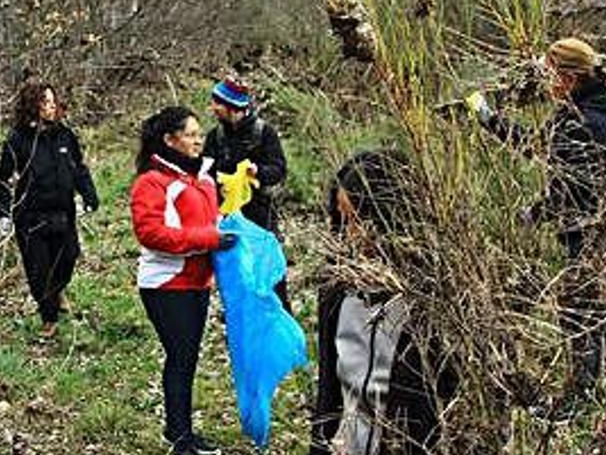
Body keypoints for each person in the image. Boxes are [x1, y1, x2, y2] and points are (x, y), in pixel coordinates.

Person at [465, 37, 606, 419]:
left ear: (569, 77)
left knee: (577, 306)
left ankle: (581, 397)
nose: (544, 81)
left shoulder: (587, 121)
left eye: (549, 73)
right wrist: (489, 120)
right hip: (600, 227)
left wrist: (538, 210)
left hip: (597, 231)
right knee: (596, 298)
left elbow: (571, 184)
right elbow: (548, 152)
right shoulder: (587, 109)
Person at [310, 150, 458, 455]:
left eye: (360, 220)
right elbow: (328, 388)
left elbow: (439, 402)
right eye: (343, 219)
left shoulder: (429, 298)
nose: (352, 235)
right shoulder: (337, 289)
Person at [130, 106, 235, 455]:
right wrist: (209, 239)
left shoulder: (203, 176)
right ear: (169, 140)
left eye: (198, 133)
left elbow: (212, 220)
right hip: (165, 283)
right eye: (189, 134)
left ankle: (182, 432)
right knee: (180, 357)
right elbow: (151, 233)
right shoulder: (151, 182)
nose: (197, 140)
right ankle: (180, 439)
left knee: (187, 359)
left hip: (198, 282)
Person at [0, 77, 99, 339]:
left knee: (68, 258)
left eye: (53, 102)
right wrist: (4, 213)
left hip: (62, 212)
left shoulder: (65, 135)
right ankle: (49, 317)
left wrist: (88, 194)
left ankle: (57, 291)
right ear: (32, 105)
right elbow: (5, 178)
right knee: (38, 270)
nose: (50, 108)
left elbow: (79, 168)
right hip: (30, 216)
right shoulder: (17, 139)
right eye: (45, 102)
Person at [202, 77, 292, 314]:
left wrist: (257, 171)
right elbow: (205, 173)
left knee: (270, 276)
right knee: (238, 277)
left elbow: (279, 170)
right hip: (228, 220)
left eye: (217, 102)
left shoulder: (264, 133)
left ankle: (280, 325)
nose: (213, 107)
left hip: (260, 218)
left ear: (231, 106)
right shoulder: (215, 137)